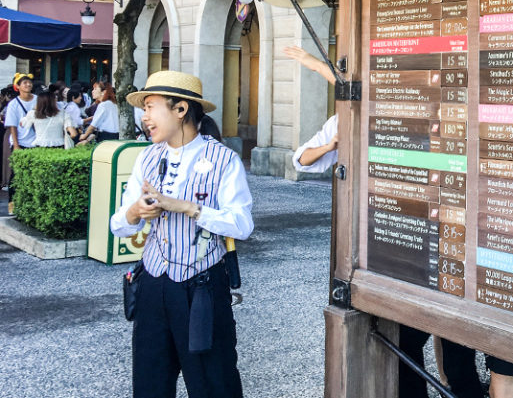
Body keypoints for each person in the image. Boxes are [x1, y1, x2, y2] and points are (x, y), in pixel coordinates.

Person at [284, 46, 487, 398]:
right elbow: (302, 159)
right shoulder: (344, 121)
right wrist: (334, 142)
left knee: (453, 339)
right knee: (408, 339)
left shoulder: (428, 110)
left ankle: (461, 389)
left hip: (444, 234)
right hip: (395, 240)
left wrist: (315, 65)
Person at [110, 70, 253, 398]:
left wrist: (188, 207)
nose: (144, 117)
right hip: (152, 284)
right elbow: (118, 224)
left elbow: (242, 224)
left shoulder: (224, 160)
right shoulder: (146, 157)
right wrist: (135, 212)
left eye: (150, 106)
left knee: (213, 383)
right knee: (150, 382)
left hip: (202, 286)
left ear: (180, 110)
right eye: (143, 108)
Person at [4, 74, 37, 209]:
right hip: (21, 143)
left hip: (36, 142)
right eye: (24, 83)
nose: (28, 85)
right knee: (16, 175)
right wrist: (16, 145)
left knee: (34, 174)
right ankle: (12, 204)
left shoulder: (38, 100)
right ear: (17, 86)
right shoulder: (13, 104)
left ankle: (30, 205)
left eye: (29, 82)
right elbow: (13, 126)